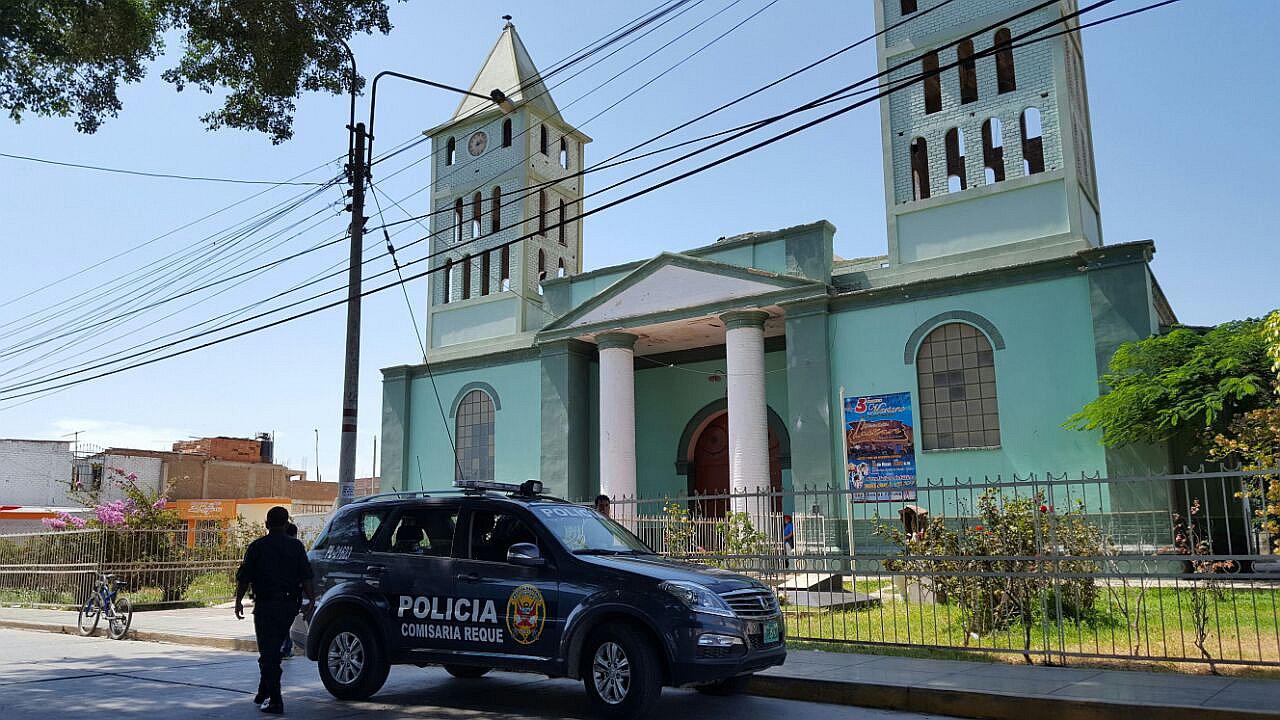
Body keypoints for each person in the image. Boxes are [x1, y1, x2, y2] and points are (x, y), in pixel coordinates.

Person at [236, 507, 313, 715]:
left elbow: (245, 577)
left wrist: (238, 601)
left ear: (267, 524)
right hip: (289, 606)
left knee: (268, 653)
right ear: (286, 524)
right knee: (273, 649)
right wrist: (311, 601)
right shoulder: (296, 547)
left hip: (265, 605)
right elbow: (306, 576)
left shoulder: (257, 547)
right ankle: (263, 691)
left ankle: (275, 699)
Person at [279, 523, 300, 659]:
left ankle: (281, 648)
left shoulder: (269, 546)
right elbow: (305, 572)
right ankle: (286, 648)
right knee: (287, 622)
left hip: (273, 592)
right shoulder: (296, 547)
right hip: (291, 592)